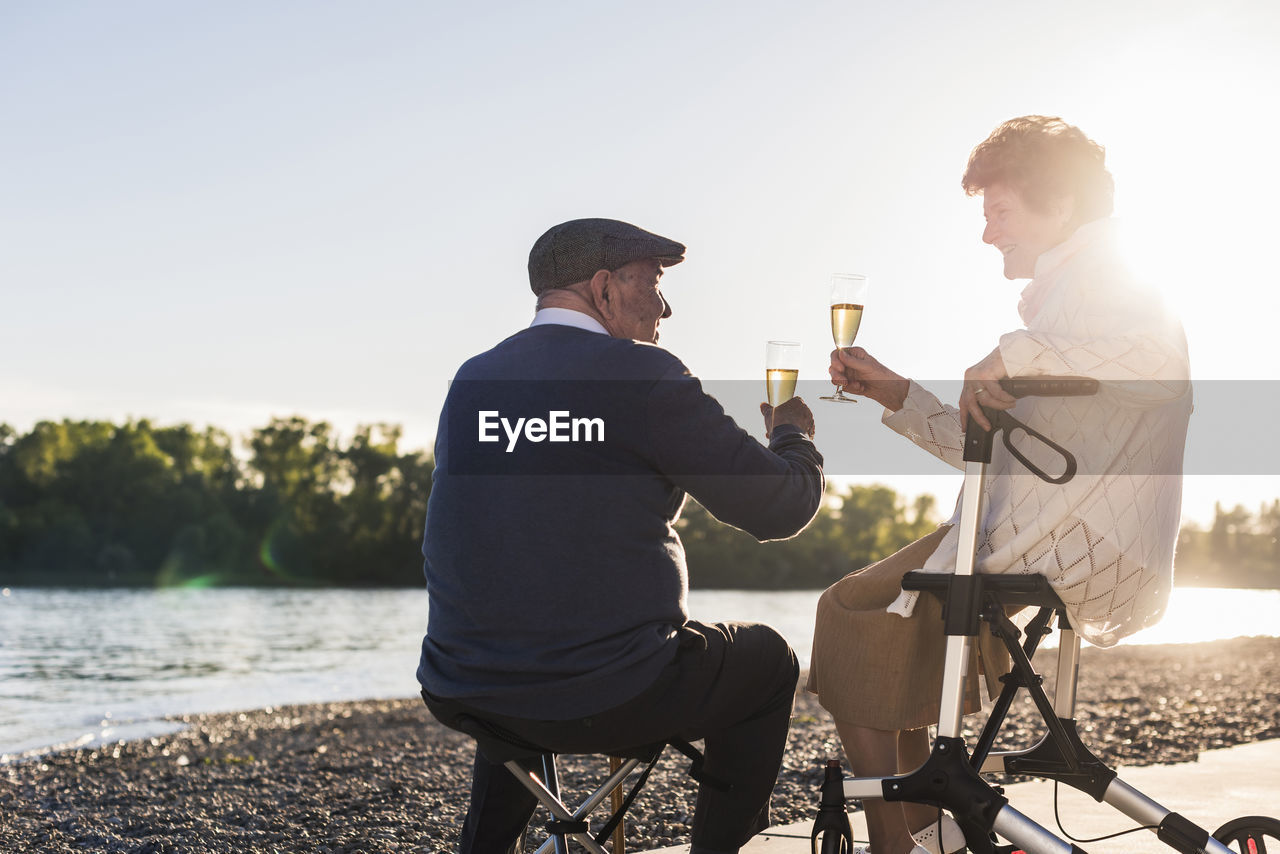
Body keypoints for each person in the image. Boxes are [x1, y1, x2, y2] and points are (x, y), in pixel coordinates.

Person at [807, 116, 1192, 854]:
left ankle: (904, 840)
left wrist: (1017, 351)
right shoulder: (1072, 290)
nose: (988, 234)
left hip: (1070, 543)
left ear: (1063, 206)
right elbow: (1008, 453)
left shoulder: (1103, 272)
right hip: (1067, 531)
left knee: (852, 608)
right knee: (900, 614)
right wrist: (896, 393)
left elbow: (1162, 362)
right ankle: (928, 832)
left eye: (1000, 212)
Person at [417, 217, 825, 854]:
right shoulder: (643, 376)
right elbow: (778, 508)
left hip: (462, 685)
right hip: (607, 693)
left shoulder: (473, 380)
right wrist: (793, 436)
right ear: (605, 289)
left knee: (519, 645)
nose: (664, 305)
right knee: (768, 661)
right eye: (654, 283)